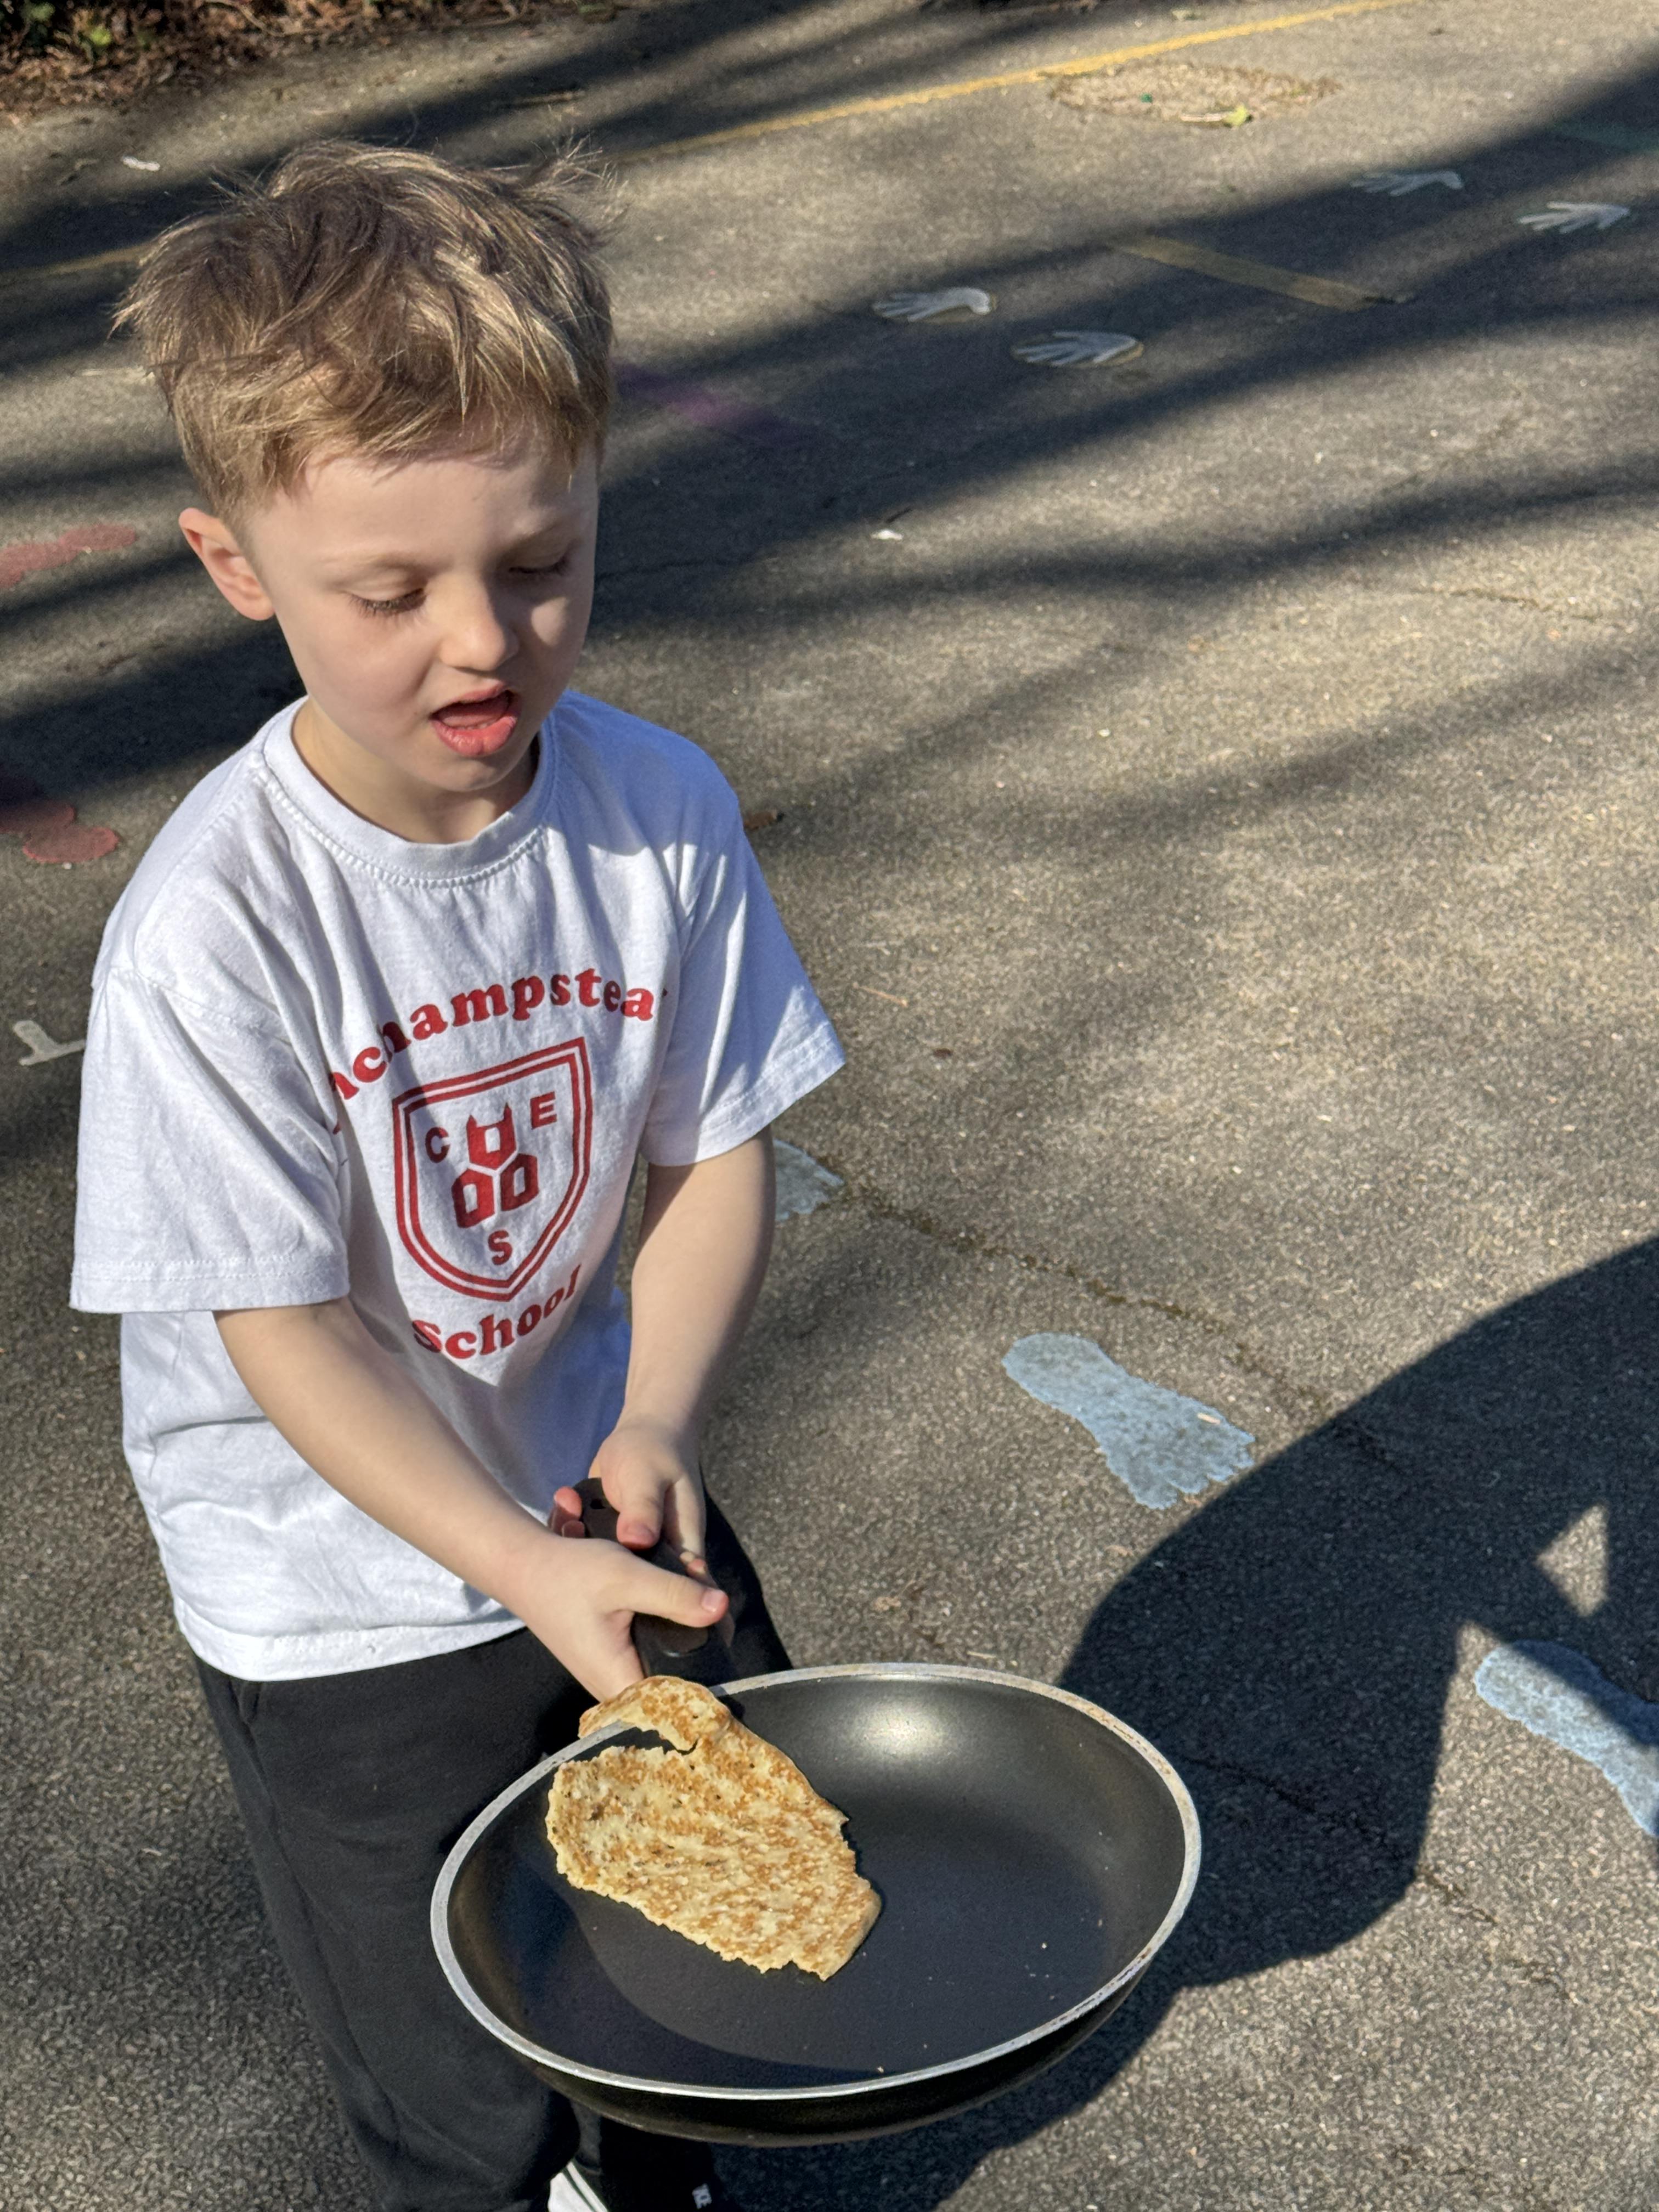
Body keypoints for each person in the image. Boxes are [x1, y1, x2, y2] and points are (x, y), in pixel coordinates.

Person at [70, 139, 843, 2212]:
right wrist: (503, 1559)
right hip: (338, 1590)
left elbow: (713, 1150)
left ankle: (657, 2175)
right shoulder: (218, 930)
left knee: (689, 1960)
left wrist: (656, 1422)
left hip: (596, 1486)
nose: (483, 640)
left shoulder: (655, 808)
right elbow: (284, 1327)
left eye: (539, 560)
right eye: (389, 592)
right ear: (237, 563)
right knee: (453, 2064)